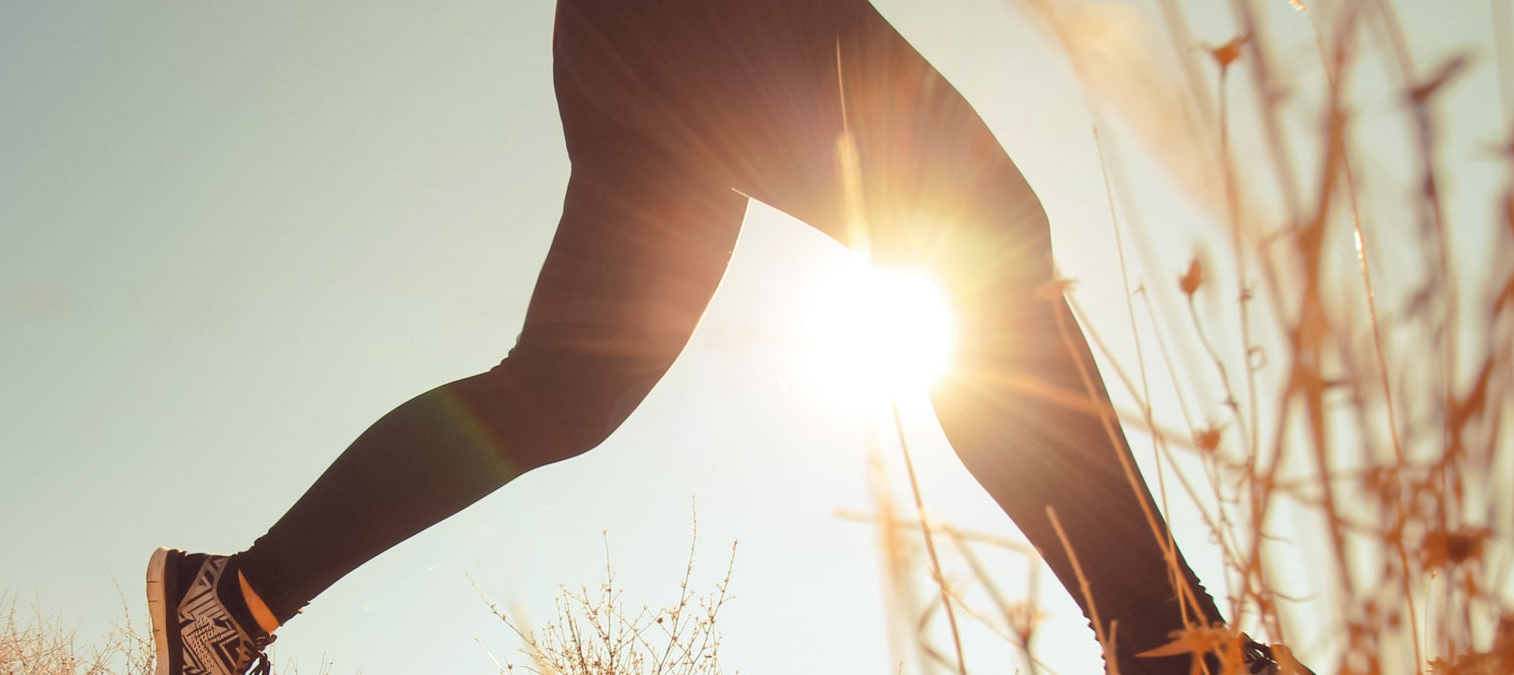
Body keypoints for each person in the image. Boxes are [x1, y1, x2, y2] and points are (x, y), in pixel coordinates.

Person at [145, 1, 1311, 673]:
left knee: (560, 392)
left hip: (626, 47)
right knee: (980, 234)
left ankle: (232, 600)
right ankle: (1170, 639)